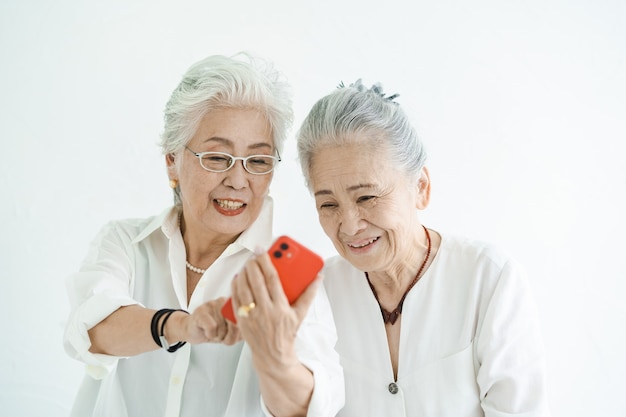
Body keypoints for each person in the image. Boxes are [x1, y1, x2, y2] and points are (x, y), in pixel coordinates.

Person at [63, 52, 344, 417]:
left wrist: (276, 358)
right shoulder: (127, 243)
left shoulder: (282, 278)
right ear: (172, 162)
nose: (238, 180)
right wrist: (183, 325)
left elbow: (313, 405)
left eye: (257, 161)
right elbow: (91, 331)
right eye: (216, 157)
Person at [295, 80, 550, 416]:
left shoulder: (489, 278)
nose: (350, 225)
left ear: (421, 188)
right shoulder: (315, 292)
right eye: (328, 205)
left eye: (367, 197)